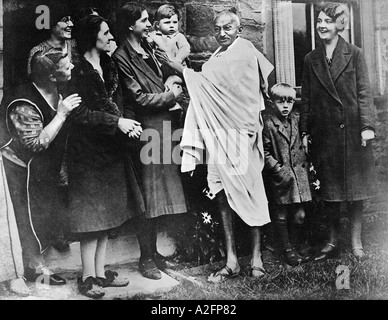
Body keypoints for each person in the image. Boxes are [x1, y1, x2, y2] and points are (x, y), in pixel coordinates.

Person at [157, 10, 274, 282]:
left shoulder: (243, 52)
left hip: (240, 136)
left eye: (228, 28)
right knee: (222, 194)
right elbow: (209, 85)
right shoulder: (218, 55)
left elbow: (208, 83)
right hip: (219, 135)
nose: (222, 33)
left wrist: (174, 65)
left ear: (240, 29)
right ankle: (231, 260)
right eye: (218, 29)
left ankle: (256, 258)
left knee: (251, 193)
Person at [67, 15, 145, 299]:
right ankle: (87, 276)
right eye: (106, 32)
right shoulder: (77, 72)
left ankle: (100, 272)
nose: (111, 36)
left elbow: (124, 104)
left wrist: (129, 122)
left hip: (112, 151)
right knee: (91, 220)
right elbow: (78, 114)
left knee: (107, 216)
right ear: (92, 37)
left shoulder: (110, 65)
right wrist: (117, 123)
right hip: (87, 156)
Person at [113, 4, 187, 280]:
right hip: (146, 130)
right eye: (144, 20)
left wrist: (175, 82)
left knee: (162, 196)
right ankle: (146, 258)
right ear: (131, 25)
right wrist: (172, 97)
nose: (150, 24)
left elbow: (171, 70)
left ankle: (155, 254)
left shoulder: (150, 47)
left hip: (166, 128)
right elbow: (138, 98)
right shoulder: (122, 56)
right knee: (148, 197)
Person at [300, 2, 378, 262]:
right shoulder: (311, 59)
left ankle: (356, 241)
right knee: (331, 192)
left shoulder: (354, 54)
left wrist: (367, 126)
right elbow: (307, 99)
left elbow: (365, 93)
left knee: (355, 190)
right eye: (319, 21)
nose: (322, 25)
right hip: (325, 135)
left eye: (328, 21)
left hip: (353, 132)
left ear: (340, 25)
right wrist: (304, 131)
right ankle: (332, 240)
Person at [0, 49, 81, 294]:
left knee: (41, 214)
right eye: (67, 68)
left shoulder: (58, 90)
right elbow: (35, 143)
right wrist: (62, 114)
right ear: (51, 77)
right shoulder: (23, 102)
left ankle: (36, 266)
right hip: (17, 169)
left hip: (42, 168)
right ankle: (28, 270)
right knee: (24, 218)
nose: (72, 69)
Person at [262, 83, 312, 266]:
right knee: (281, 214)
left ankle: (296, 244)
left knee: (299, 215)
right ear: (272, 102)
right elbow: (264, 152)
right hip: (280, 177)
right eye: (280, 101)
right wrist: (277, 169)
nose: (285, 106)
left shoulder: (296, 120)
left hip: (298, 176)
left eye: (289, 102)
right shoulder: (268, 123)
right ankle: (287, 250)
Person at [27, 8, 78, 77]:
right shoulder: (38, 51)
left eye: (71, 20)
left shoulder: (75, 45)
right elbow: (35, 82)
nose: (71, 24)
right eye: (65, 20)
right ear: (52, 23)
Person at [148, 4, 191, 68]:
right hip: (160, 68)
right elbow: (147, 40)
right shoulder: (153, 35)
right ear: (157, 24)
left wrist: (177, 60)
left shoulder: (178, 36)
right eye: (167, 22)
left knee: (175, 78)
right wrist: (149, 40)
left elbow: (185, 49)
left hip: (177, 68)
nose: (172, 25)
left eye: (175, 22)